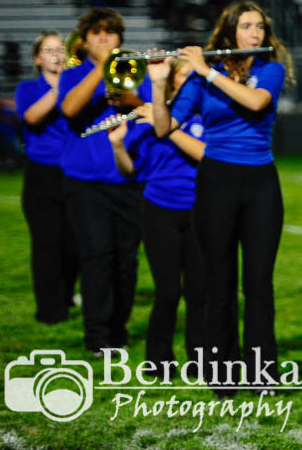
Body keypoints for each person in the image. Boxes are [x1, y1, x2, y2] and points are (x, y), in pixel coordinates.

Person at [151, 0, 294, 394]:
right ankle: (222, 374)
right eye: (246, 26)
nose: (255, 33)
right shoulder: (201, 79)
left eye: (259, 27)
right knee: (220, 283)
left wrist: (206, 71)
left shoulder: (270, 69)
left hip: (261, 183)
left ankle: (262, 374)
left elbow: (256, 102)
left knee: (259, 284)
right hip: (216, 182)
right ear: (230, 32)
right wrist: (160, 82)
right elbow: (163, 127)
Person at [58, 7, 150, 356]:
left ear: (120, 39)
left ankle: (117, 331)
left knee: (126, 262)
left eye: (110, 33)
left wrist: (126, 95)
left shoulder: (133, 70)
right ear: (84, 41)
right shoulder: (73, 74)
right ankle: (97, 336)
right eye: (96, 33)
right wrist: (101, 69)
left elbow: (147, 109)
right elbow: (70, 109)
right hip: (85, 183)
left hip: (128, 178)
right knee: (97, 257)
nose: (103, 38)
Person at [108, 59, 206, 375]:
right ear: (171, 80)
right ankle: (158, 362)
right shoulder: (145, 119)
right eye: (184, 75)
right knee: (167, 292)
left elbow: (207, 155)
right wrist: (117, 145)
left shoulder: (208, 114)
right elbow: (129, 170)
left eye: (195, 76)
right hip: (159, 210)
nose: (190, 81)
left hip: (201, 211)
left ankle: (200, 361)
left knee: (199, 292)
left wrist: (164, 124)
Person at [14, 31, 79, 323]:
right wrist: (62, 87)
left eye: (60, 49)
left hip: (74, 171)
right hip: (42, 174)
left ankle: (65, 295)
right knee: (47, 245)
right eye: (49, 50)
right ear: (37, 59)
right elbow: (32, 116)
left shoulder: (76, 87)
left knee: (74, 245)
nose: (56, 55)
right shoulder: (27, 88)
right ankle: (50, 311)